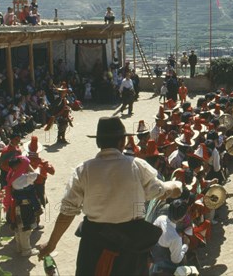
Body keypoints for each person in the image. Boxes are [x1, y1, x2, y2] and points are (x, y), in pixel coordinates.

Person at [38, 117, 182, 274]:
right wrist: (176, 186)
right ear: (123, 141)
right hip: (130, 248)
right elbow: (160, 192)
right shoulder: (136, 166)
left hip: (93, 246)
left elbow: (67, 212)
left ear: (98, 143)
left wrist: (52, 244)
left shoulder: (83, 170)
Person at [150, 199, 190, 274]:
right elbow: (176, 260)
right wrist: (186, 245)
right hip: (164, 264)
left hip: (153, 255)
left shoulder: (160, 218)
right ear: (182, 217)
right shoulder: (175, 238)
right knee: (183, 259)